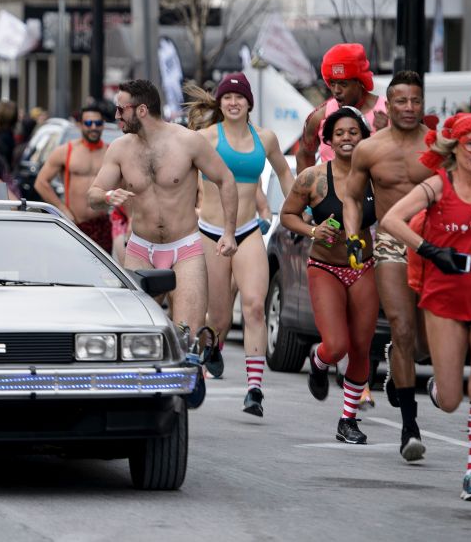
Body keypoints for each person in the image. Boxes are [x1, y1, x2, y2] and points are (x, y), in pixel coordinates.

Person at [381, 113, 471, 502]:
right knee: (450, 401)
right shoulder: (436, 186)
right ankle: (436, 388)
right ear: (456, 148)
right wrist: (429, 250)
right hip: (444, 299)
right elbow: (391, 220)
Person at [88, 79, 239, 349]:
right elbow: (94, 195)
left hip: (185, 249)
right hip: (141, 249)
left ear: (141, 110)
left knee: (188, 337)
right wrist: (108, 197)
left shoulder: (188, 142)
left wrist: (229, 232)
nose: (116, 116)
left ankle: (189, 379)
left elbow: (226, 179)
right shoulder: (120, 149)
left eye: (121, 110)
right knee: (134, 333)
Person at [184, 73, 293, 416]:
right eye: (227, 97)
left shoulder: (266, 138)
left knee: (254, 306)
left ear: (249, 103)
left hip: (247, 232)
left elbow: (284, 174)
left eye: (239, 97)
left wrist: (298, 208)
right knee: (216, 318)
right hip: (211, 233)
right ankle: (212, 347)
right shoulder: (204, 139)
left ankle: (254, 390)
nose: (233, 102)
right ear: (220, 103)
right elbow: (182, 179)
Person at [343, 70, 434, 462]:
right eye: (402, 101)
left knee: (424, 344)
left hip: (431, 246)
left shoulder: (438, 147)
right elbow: (351, 197)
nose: (409, 108)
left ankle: (398, 359)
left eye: (416, 101)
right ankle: (410, 429)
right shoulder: (369, 149)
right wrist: (351, 235)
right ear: (389, 104)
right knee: (401, 323)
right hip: (391, 245)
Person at [280, 106, 378, 442]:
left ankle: (347, 419)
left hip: (363, 266)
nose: (347, 138)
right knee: (336, 345)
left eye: (354, 132)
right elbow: (287, 216)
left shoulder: (375, 178)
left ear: (363, 137)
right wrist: (312, 230)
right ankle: (319, 361)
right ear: (329, 140)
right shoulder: (314, 177)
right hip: (325, 268)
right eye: (340, 133)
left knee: (362, 347)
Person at [297, 43, 389, 171]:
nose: (336, 90)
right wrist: (306, 189)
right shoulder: (319, 117)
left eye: (343, 84)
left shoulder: (387, 111)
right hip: (330, 189)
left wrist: (386, 134)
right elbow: (304, 155)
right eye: (332, 83)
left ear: (359, 81)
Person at [35, 105, 113, 251]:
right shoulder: (66, 151)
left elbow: (127, 186)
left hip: (102, 224)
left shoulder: (111, 153)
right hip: (75, 224)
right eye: (89, 123)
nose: (93, 127)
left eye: (98, 123)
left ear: (103, 125)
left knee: (104, 273)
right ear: (80, 125)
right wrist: (62, 209)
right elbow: (41, 182)